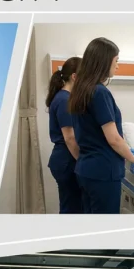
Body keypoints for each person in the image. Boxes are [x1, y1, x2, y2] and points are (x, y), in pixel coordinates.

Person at [68, 37, 134, 213]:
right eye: (116, 61)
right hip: (103, 172)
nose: (118, 66)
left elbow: (84, 134)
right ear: (104, 62)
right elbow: (113, 138)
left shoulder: (80, 91)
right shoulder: (99, 93)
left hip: (85, 170)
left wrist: (127, 149)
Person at [46, 56, 84, 213]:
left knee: (72, 206)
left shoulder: (65, 98)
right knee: (72, 209)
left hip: (64, 160)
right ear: (75, 77)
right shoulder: (64, 100)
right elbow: (69, 138)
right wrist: (83, 162)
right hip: (67, 161)